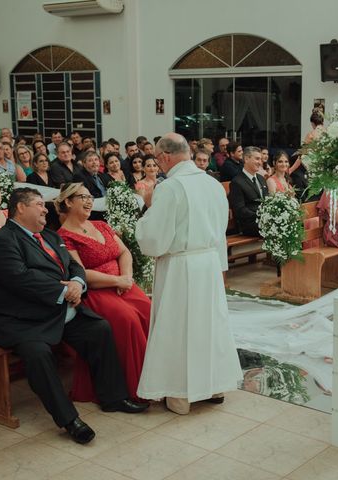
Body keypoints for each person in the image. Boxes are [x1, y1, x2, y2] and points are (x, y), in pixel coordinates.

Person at [0, 187, 148, 444]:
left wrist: (78, 283)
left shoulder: (48, 235)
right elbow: (20, 278)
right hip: (22, 320)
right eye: (38, 204)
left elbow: (74, 267)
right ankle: (69, 420)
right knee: (38, 354)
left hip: (56, 311)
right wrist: (64, 289)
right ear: (21, 208)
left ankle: (114, 397)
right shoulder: (1, 241)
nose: (45, 209)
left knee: (99, 329)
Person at [135, 133, 242, 414]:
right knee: (209, 324)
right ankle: (214, 385)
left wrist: (148, 207)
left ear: (165, 157)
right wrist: (220, 267)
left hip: (180, 266)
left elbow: (155, 238)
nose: (158, 165)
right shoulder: (213, 184)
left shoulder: (170, 188)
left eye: (158, 160)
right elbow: (220, 232)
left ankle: (180, 394)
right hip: (207, 263)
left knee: (178, 327)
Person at [55, 183, 151, 403]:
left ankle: (159, 377)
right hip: (97, 291)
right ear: (68, 202)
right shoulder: (64, 236)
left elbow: (124, 251)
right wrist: (117, 280)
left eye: (90, 196)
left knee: (150, 310)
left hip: (122, 285)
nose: (89, 201)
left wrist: (126, 278)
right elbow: (80, 272)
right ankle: (134, 386)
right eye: (82, 197)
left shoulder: (101, 225)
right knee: (128, 320)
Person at [228, 146, 268, 237]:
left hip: (264, 221)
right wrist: (261, 217)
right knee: (279, 227)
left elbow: (267, 200)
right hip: (249, 224)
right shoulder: (237, 182)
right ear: (246, 159)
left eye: (261, 159)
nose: (260, 162)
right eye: (257, 159)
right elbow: (240, 210)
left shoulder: (261, 179)